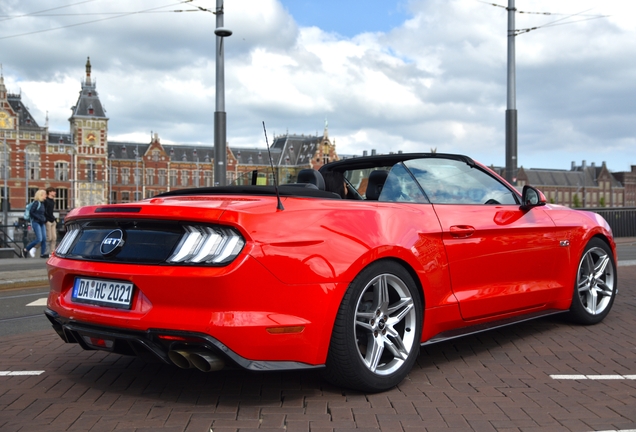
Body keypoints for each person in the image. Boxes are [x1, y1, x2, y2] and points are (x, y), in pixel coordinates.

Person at [23, 189, 48, 259]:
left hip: (41, 222)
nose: (46, 195)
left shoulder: (42, 203)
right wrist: (40, 218)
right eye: (45, 194)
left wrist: (44, 219)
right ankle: (26, 249)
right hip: (36, 222)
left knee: (44, 238)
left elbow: (42, 213)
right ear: (41, 195)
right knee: (39, 239)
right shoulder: (36, 203)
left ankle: (42, 254)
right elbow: (32, 212)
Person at [44, 187, 57, 255]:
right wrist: (46, 220)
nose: (55, 193)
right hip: (48, 221)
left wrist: (54, 219)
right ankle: (44, 251)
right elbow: (44, 211)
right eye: (53, 191)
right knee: (49, 238)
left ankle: (52, 253)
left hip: (52, 220)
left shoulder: (53, 201)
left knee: (54, 238)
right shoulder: (46, 201)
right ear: (50, 192)